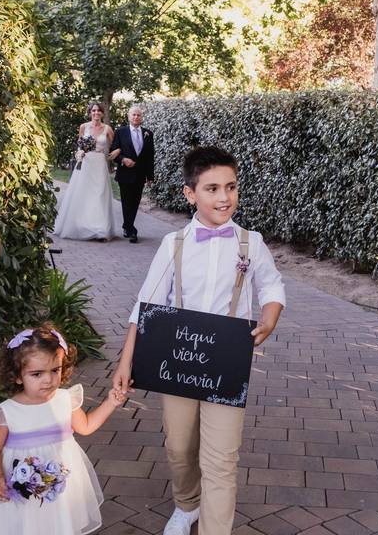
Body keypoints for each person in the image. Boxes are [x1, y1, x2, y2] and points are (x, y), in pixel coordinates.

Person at [111, 146, 286, 535]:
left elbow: (271, 284)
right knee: (179, 446)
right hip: (177, 363)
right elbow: (146, 305)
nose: (224, 198)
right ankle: (187, 503)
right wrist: (126, 364)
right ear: (191, 193)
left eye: (231, 187)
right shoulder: (174, 244)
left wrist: (270, 316)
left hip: (225, 365)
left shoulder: (250, 243)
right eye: (211, 189)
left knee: (222, 458)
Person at [0, 324, 127, 535]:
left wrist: (110, 403)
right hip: (19, 486)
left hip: (57, 485)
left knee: (57, 523)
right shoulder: (8, 412)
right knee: (23, 525)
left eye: (55, 370)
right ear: (17, 375)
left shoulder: (65, 400)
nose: (48, 379)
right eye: (37, 374)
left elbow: (86, 426)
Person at [53, 100, 122, 240]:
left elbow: (117, 145)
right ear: (90, 112)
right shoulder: (83, 127)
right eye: (93, 111)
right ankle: (83, 226)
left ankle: (100, 229)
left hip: (100, 164)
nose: (96, 113)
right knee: (84, 194)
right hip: (86, 164)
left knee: (99, 195)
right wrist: (79, 153)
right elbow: (79, 146)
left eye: (99, 111)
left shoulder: (107, 129)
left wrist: (117, 152)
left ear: (102, 113)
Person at [110, 105, 154, 243]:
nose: (136, 117)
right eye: (133, 115)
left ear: (141, 117)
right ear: (128, 116)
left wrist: (150, 176)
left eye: (138, 115)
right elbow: (113, 153)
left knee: (135, 202)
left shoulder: (148, 133)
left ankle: (127, 226)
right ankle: (130, 230)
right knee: (126, 202)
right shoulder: (120, 132)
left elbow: (149, 156)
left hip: (140, 174)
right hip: (125, 173)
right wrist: (123, 159)